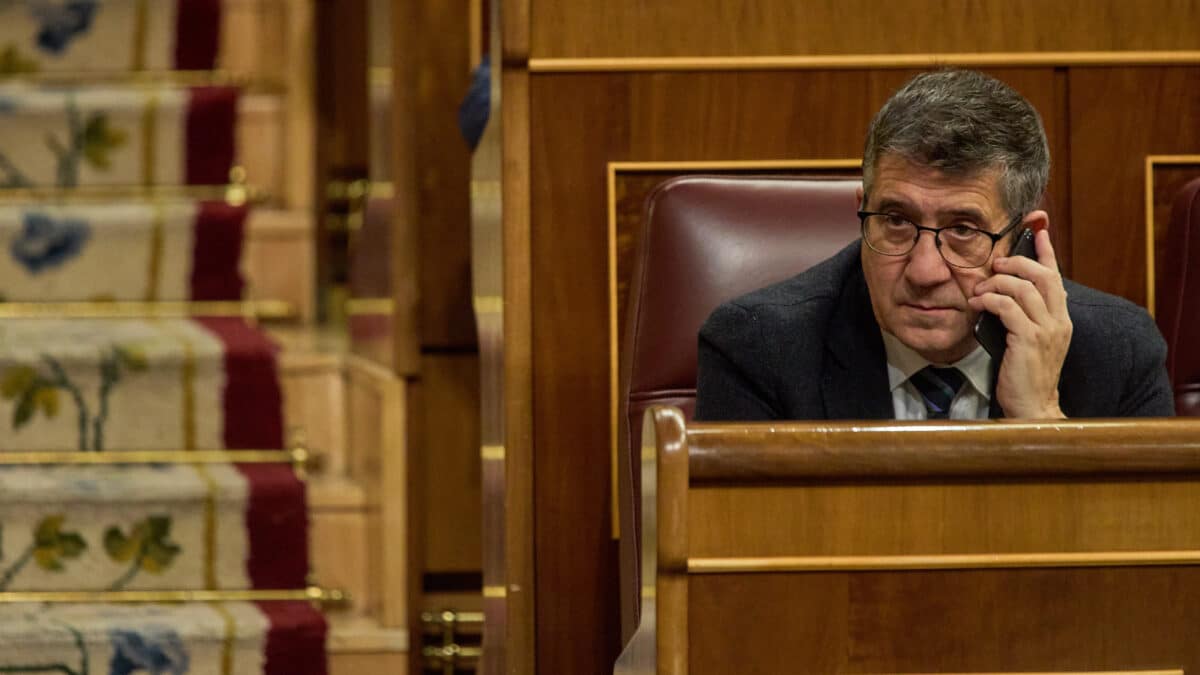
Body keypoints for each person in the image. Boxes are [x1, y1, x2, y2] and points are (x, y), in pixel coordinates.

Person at [695, 69, 1174, 421]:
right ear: (863, 211)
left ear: (1024, 240)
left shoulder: (1117, 355)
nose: (924, 272)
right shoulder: (760, 350)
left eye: (964, 230)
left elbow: (1137, 556)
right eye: (897, 221)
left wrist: (1041, 417)